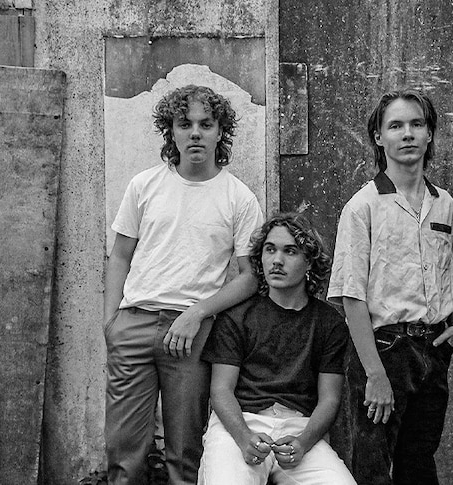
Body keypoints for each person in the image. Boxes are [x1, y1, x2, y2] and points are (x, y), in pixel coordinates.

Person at [104, 84, 264, 484]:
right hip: (134, 324)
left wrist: (198, 312)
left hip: (192, 335)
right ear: (170, 131)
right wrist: (111, 323)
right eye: (184, 123)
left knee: (185, 457)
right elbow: (119, 256)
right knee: (125, 457)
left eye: (205, 124)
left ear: (219, 132)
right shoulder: (144, 185)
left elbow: (249, 278)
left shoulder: (238, 198)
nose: (195, 132)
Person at [328, 89, 453, 485]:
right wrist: (374, 374)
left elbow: (450, 276)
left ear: (429, 135)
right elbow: (351, 297)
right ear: (378, 137)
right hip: (385, 351)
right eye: (396, 125)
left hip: (434, 350)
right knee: (372, 467)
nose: (407, 134)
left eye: (417, 124)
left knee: (419, 463)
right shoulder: (363, 206)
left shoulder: (445, 204)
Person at [199, 213, 356, 485]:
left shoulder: (329, 322)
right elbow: (220, 390)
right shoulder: (237, 316)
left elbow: (329, 399)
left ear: (309, 261)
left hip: (299, 429)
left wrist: (303, 443)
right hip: (240, 424)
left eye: (290, 251)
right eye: (270, 250)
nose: (277, 260)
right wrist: (244, 437)